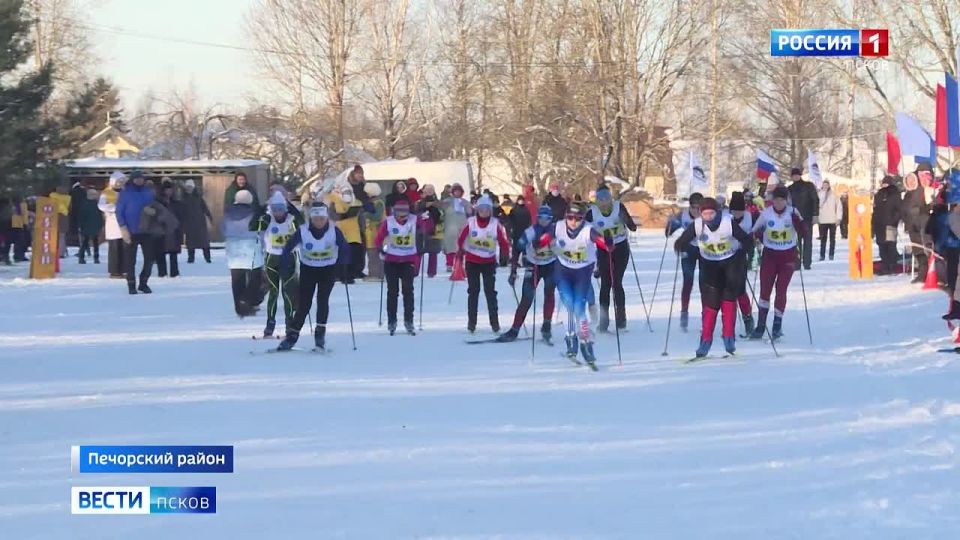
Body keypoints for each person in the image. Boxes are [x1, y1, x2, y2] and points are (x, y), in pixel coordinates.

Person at [674, 197, 754, 357]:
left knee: (729, 299)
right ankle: (705, 341)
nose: (709, 217)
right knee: (711, 304)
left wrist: (743, 252)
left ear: (717, 212)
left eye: (711, 213)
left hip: (731, 263)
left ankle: (728, 336)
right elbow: (682, 241)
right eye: (705, 214)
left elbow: (747, 240)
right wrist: (680, 246)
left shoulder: (727, 223)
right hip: (710, 265)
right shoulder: (697, 225)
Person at [535, 201, 612, 366]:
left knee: (579, 307)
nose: (573, 221)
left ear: (583, 218)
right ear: (565, 217)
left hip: (582, 273)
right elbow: (546, 237)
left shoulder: (588, 230)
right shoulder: (558, 227)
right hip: (563, 271)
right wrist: (539, 242)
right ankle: (571, 339)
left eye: (577, 218)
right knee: (569, 304)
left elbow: (600, 242)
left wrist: (608, 244)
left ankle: (586, 341)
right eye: (570, 217)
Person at [277, 204, 351, 352]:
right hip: (308, 269)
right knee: (304, 304)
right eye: (316, 219)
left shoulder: (333, 230)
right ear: (311, 219)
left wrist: (344, 264)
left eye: (322, 219)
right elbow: (288, 247)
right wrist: (284, 262)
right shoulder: (303, 231)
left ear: (326, 218)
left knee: (323, 300)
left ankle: (320, 335)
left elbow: (344, 247)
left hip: (328, 270)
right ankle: (292, 335)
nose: (319, 222)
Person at [747, 186, 807, 340]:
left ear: (786, 200)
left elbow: (805, 232)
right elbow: (754, 231)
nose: (779, 203)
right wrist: (758, 235)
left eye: (782, 200)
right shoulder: (766, 213)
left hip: (787, 256)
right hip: (770, 256)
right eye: (776, 200)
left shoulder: (793, 212)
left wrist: (798, 223)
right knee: (765, 290)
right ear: (772, 200)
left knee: (781, 290)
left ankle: (777, 325)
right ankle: (761, 325)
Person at [497, 206, 557, 343]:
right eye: (541, 218)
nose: (544, 221)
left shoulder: (555, 231)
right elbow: (517, 249)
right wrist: (513, 271)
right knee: (527, 298)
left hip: (550, 265)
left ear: (551, 219)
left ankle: (546, 325)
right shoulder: (530, 231)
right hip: (533, 265)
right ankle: (514, 329)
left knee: (549, 292)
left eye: (547, 218)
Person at [586, 183, 638, 332]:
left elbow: (632, 226)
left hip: (620, 248)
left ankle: (621, 321)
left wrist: (626, 220)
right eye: (600, 198)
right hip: (603, 250)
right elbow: (584, 230)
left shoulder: (618, 207)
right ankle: (604, 321)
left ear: (610, 198)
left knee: (617, 283)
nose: (604, 201)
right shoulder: (592, 212)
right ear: (596, 200)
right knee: (605, 284)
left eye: (606, 197)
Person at [457, 195, 511, 333]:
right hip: (472, 261)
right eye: (481, 209)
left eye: (487, 209)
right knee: (473, 292)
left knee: (490, 293)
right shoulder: (471, 222)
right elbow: (461, 238)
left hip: (488, 262)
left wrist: (506, 255)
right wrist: (460, 250)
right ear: (478, 210)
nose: (484, 212)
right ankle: (472, 324)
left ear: (490, 210)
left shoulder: (495, 224)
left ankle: (495, 324)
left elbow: (503, 241)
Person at [254, 191, 303, 337]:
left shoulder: (292, 219)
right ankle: (270, 324)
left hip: (289, 259)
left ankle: (289, 324)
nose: (278, 213)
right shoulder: (268, 219)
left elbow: (302, 222)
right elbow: (254, 225)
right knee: (273, 293)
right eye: (275, 209)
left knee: (287, 292)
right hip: (272, 259)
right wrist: (262, 208)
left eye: (281, 209)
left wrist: (291, 206)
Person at [375, 198, 420, 335]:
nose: (402, 215)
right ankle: (392, 321)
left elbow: (428, 227)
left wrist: (428, 216)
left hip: (408, 259)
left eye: (404, 212)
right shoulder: (388, 221)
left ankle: (409, 320)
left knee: (408, 290)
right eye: (399, 212)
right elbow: (378, 238)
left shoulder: (414, 219)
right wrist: (380, 249)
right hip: (392, 260)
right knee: (392, 292)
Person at [666, 192, 703, 332]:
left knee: (705, 283)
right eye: (694, 207)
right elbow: (668, 233)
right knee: (688, 281)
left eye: (699, 207)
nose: (696, 210)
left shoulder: (706, 216)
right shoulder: (683, 215)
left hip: (705, 250)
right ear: (690, 206)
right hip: (688, 249)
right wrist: (670, 224)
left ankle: (706, 315)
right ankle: (684, 313)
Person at [223, 190, 264, 317]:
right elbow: (260, 229)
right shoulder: (254, 213)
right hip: (251, 246)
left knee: (237, 279)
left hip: (233, 247)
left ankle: (239, 308)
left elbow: (223, 229)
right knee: (255, 277)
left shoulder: (228, 213)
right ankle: (246, 301)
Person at [116, 171, 156, 294]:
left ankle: (143, 283)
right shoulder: (125, 193)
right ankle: (131, 284)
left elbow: (157, 207)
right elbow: (119, 211)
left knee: (149, 258)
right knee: (130, 260)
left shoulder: (149, 192)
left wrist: (153, 212)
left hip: (147, 230)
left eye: (141, 179)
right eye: (137, 179)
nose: (139, 181)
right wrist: (123, 228)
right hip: (131, 231)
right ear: (132, 180)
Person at [728, 192, 756, 335]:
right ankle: (729, 323)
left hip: (740, 256)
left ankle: (748, 318)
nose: (737, 213)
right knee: (727, 291)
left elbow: (755, 233)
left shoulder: (750, 217)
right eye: (734, 211)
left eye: (739, 211)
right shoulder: (726, 219)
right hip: (725, 257)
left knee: (740, 290)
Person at [327, 183, 366, 282]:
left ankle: (350, 275)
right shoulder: (334, 203)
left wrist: (362, 229)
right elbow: (332, 216)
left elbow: (361, 218)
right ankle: (339, 274)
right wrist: (343, 216)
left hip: (354, 234)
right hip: (340, 233)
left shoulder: (357, 203)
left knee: (353, 256)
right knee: (341, 256)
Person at [902, 171, 932, 283]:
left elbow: (926, 206)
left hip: (922, 224)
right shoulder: (906, 195)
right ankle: (921, 273)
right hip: (911, 226)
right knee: (917, 250)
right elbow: (904, 211)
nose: (910, 182)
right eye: (908, 181)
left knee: (926, 249)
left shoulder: (921, 192)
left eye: (912, 180)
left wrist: (919, 211)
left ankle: (927, 274)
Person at [787, 167, 819, 270]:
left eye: (797, 175)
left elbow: (815, 200)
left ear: (800, 175)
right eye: (793, 175)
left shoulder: (808, 186)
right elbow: (787, 203)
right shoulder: (790, 189)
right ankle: (796, 263)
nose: (795, 177)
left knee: (807, 240)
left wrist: (815, 214)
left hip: (807, 217)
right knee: (796, 241)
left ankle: (807, 263)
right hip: (795, 218)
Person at [873, 175, 902, 275]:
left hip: (890, 225)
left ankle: (892, 267)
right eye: (883, 183)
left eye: (886, 183)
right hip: (880, 225)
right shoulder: (878, 195)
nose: (884, 185)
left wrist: (894, 220)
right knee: (882, 246)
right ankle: (885, 266)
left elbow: (899, 209)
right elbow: (875, 211)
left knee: (891, 246)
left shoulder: (895, 194)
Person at [154, 180, 183, 278]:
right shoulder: (158, 202)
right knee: (161, 252)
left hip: (174, 229)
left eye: (170, 190)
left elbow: (180, 215)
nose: (168, 192)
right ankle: (162, 272)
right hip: (161, 229)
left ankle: (174, 272)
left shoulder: (176, 202)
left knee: (173, 252)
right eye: (166, 190)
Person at [98, 172, 125, 277]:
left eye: (122, 181)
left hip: (124, 222)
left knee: (124, 247)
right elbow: (101, 205)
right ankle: (114, 271)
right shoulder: (106, 192)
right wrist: (114, 208)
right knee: (114, 247)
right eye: (118, 181)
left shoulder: (125, 192)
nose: (120, 183)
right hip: (112, 222)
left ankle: (123, 269)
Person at [180, 179, 213, 264]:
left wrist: (209, 217)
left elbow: (205, 208)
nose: (189, 189)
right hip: (189, 224)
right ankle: (191, 259)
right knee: (190, 244)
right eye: (187, 187)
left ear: (193, 188)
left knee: (204, 243)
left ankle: (208, 258)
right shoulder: (183, 199)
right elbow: (181, 212)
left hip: (200, 223)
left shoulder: (198, 198)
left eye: (190, 187)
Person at [441, 183, 470, 271]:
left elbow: (470, 212)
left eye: (459, 191)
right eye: (456, 191)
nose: (457, 193)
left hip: (462, 227)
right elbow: (440, 210)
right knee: (450, 246)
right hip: (450, 226)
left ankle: (459, 264)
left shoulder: (465, 202)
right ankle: (449, 264)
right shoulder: (447, 201)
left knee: (461, 246)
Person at [415, 184, 443, 277]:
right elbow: (415, 213)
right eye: (427, 191)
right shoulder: (419, 202)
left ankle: (431, 272)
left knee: (433, 252)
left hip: (434, 230)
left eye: (431, 190)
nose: (429, 192)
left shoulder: (438, 203)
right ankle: (415, 271)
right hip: (420, 230)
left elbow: (441, 215)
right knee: (418, 251)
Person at [363, 182, 385, 280]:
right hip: (371, 232)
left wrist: (366, 215)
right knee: (372, 253)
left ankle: (375, 274)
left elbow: (377, 216)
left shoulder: (378, 203)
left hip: (376, 231)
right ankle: (375, 273)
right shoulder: (372, 203)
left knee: (374, 254)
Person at [817, 180, 843, 261]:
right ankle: (822, 255)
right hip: (822, 220)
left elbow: (839, 207)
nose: (825, 186)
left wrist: (838, 218)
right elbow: (816, 206)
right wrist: (816, 217)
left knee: (832, 239)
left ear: (829, 185)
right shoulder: (819, 195)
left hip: (832, 220)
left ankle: (831, 254)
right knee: (823, 239)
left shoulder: (834, 195)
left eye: (826, 185)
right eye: (824, 185)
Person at [77, 188, 103, 264]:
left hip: (90, 226)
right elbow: (81, 216)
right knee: (90, 242)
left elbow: (81, 216)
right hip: (91, 226)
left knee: (89, 242)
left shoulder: (89, 204)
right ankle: (91, 257)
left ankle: (87, 258)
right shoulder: (93, 204)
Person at [50, 185, 71, 258]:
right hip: (64, 215)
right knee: (62, 235)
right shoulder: (68, 197)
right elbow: (68, 206)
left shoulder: (52, 195)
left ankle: (52, 251)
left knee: (53, 234)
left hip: (53, 214)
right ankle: (61, 253)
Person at [10, 195, 30, 262]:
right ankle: (19, 256)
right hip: (19, 224)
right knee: (21, 241)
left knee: (16, 241)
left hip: (11, 224)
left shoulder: (11, 204)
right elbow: (24, 215)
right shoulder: (23, 204)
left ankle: (17, 255)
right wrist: (26, 224)